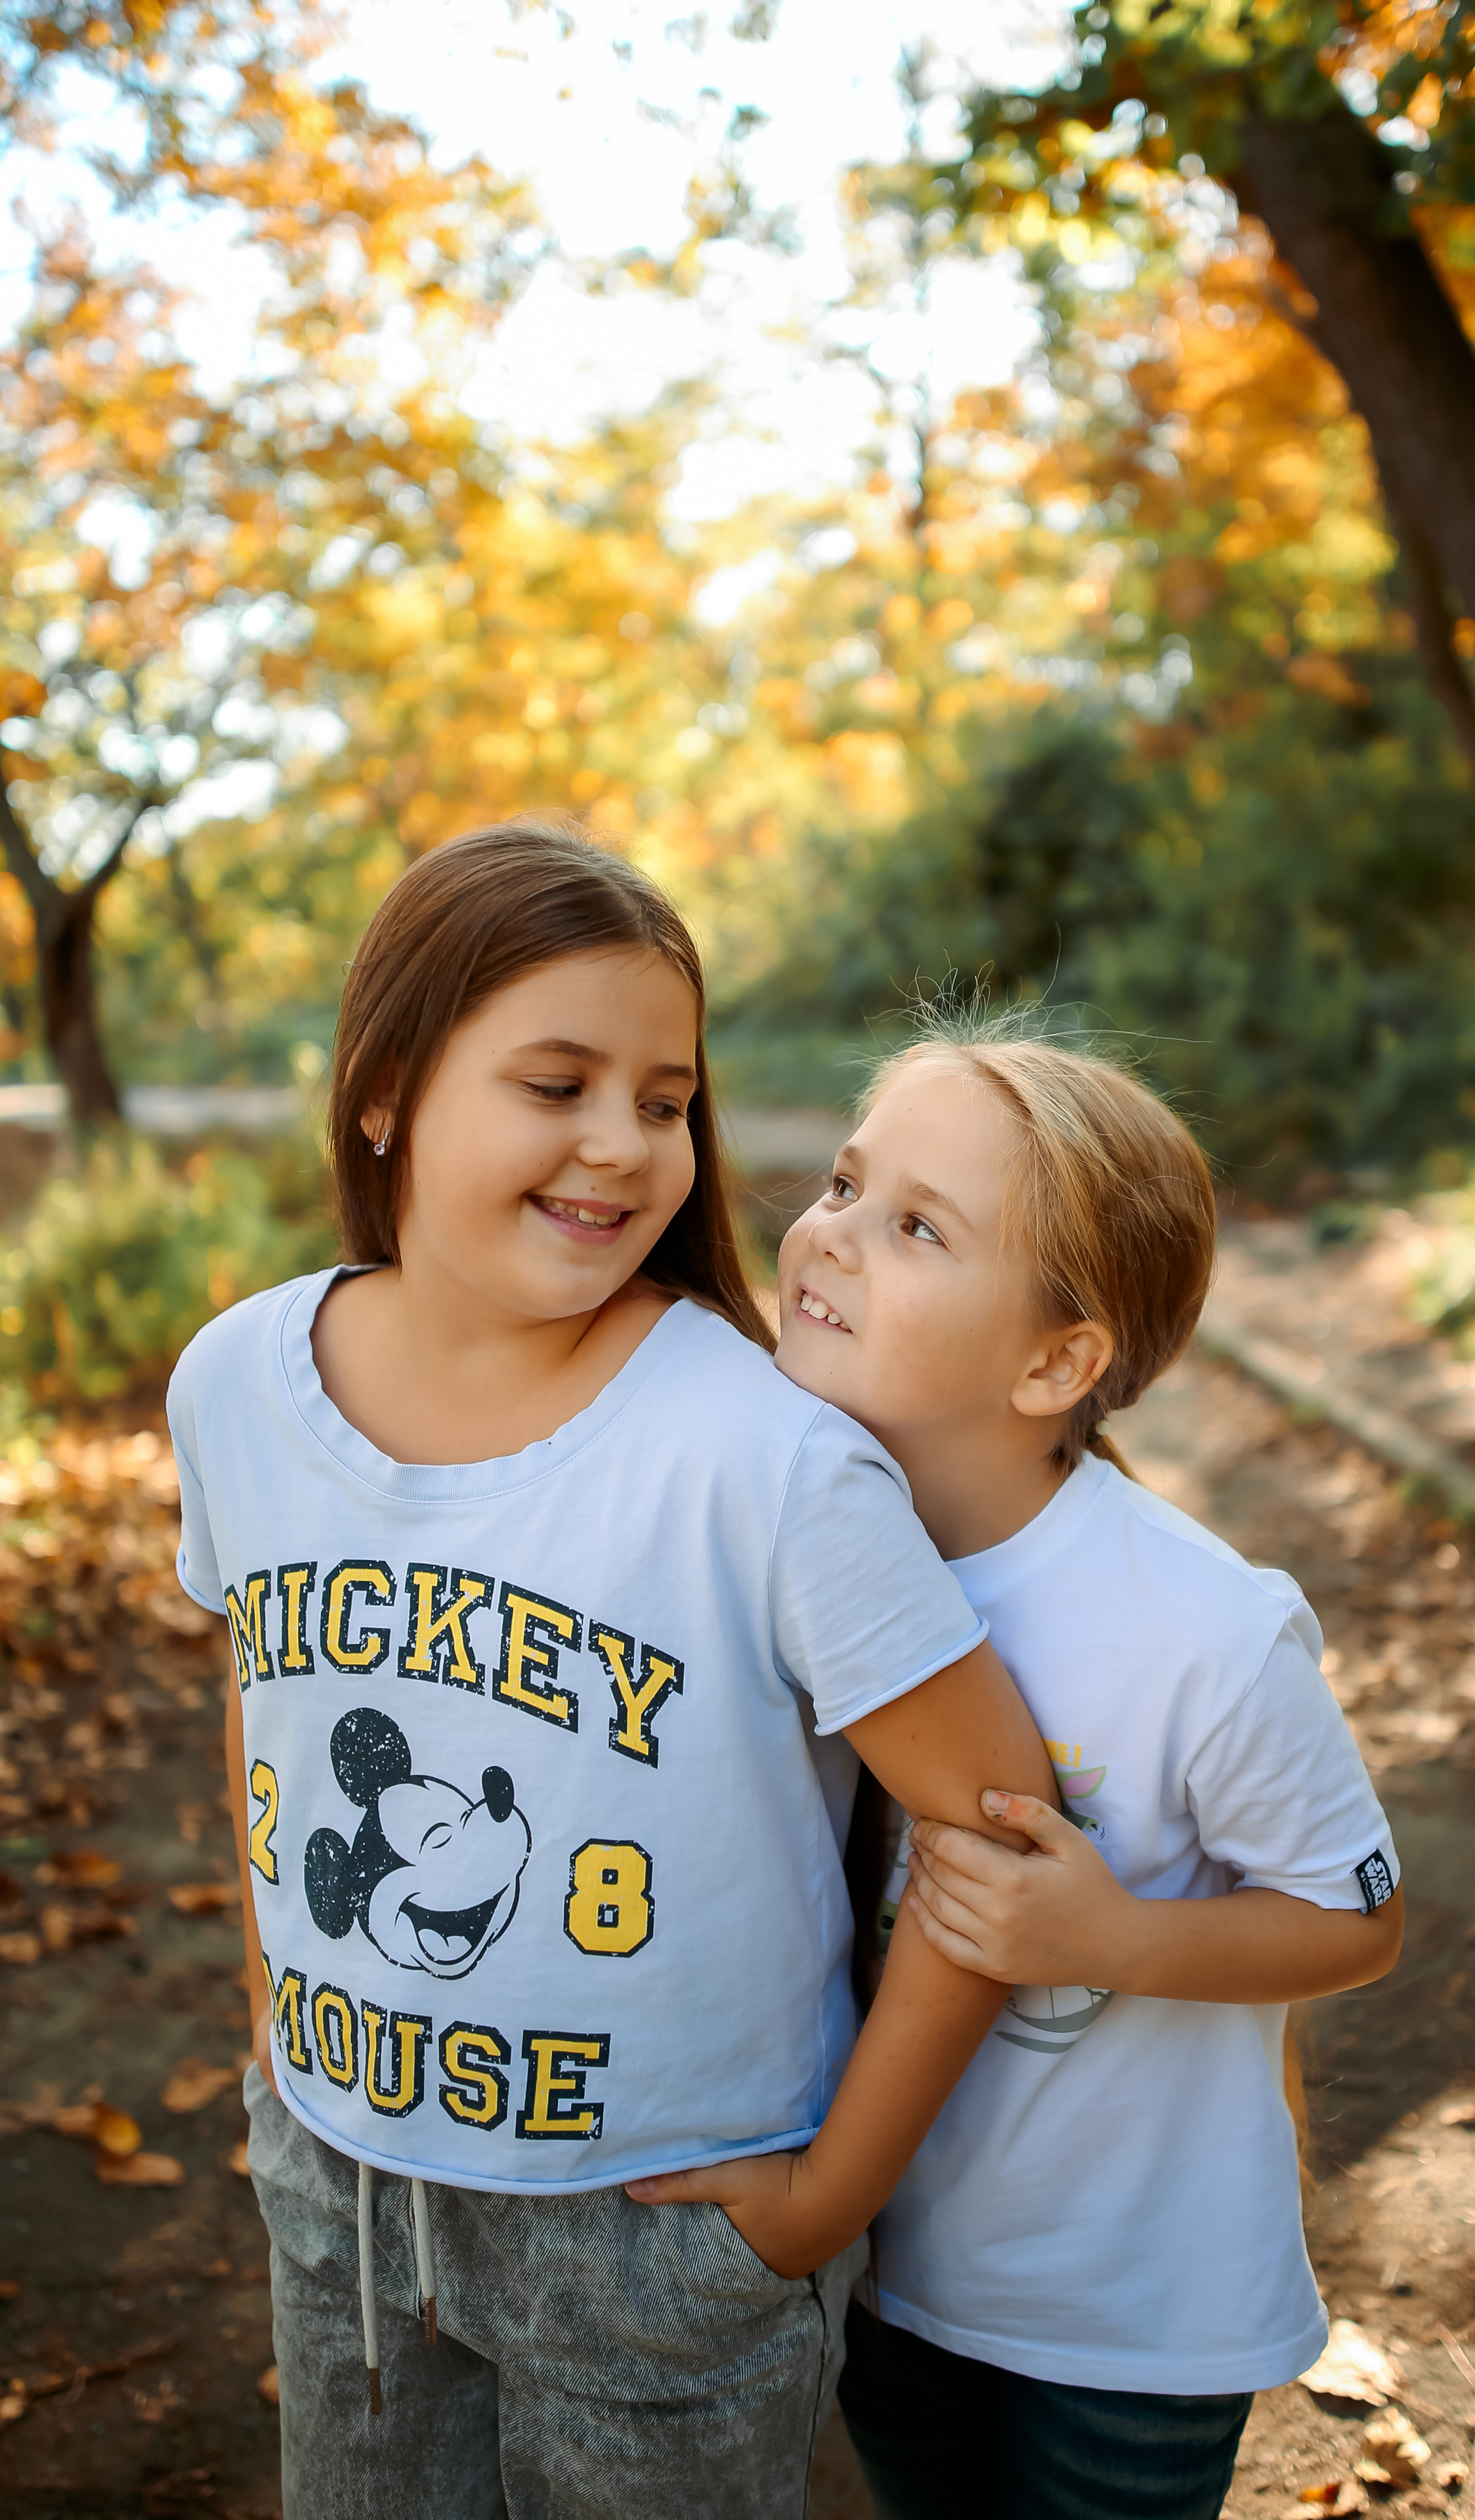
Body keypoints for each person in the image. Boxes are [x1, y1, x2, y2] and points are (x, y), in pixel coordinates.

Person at [166, 821, 1052, 2520]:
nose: (624, 1146)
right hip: (341, 2185)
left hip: (661, 2232)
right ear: (383, 1092)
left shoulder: (763, 1460)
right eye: (556, 1083)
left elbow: (997, 1827)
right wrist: (274, 2010)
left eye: (665, 1099)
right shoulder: (235, 1383)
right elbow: (262, 1687)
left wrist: (827, 2196)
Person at [769, 1017, 1406, 2520]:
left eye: (917, 1226)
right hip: (885, 2270)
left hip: (1133, 2317)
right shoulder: (782, 1541)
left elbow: (1358, 1918)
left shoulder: (1201, 1629)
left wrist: (1108, 1937)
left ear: (1056, 1361)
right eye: (846, 1185)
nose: (831, 1235)